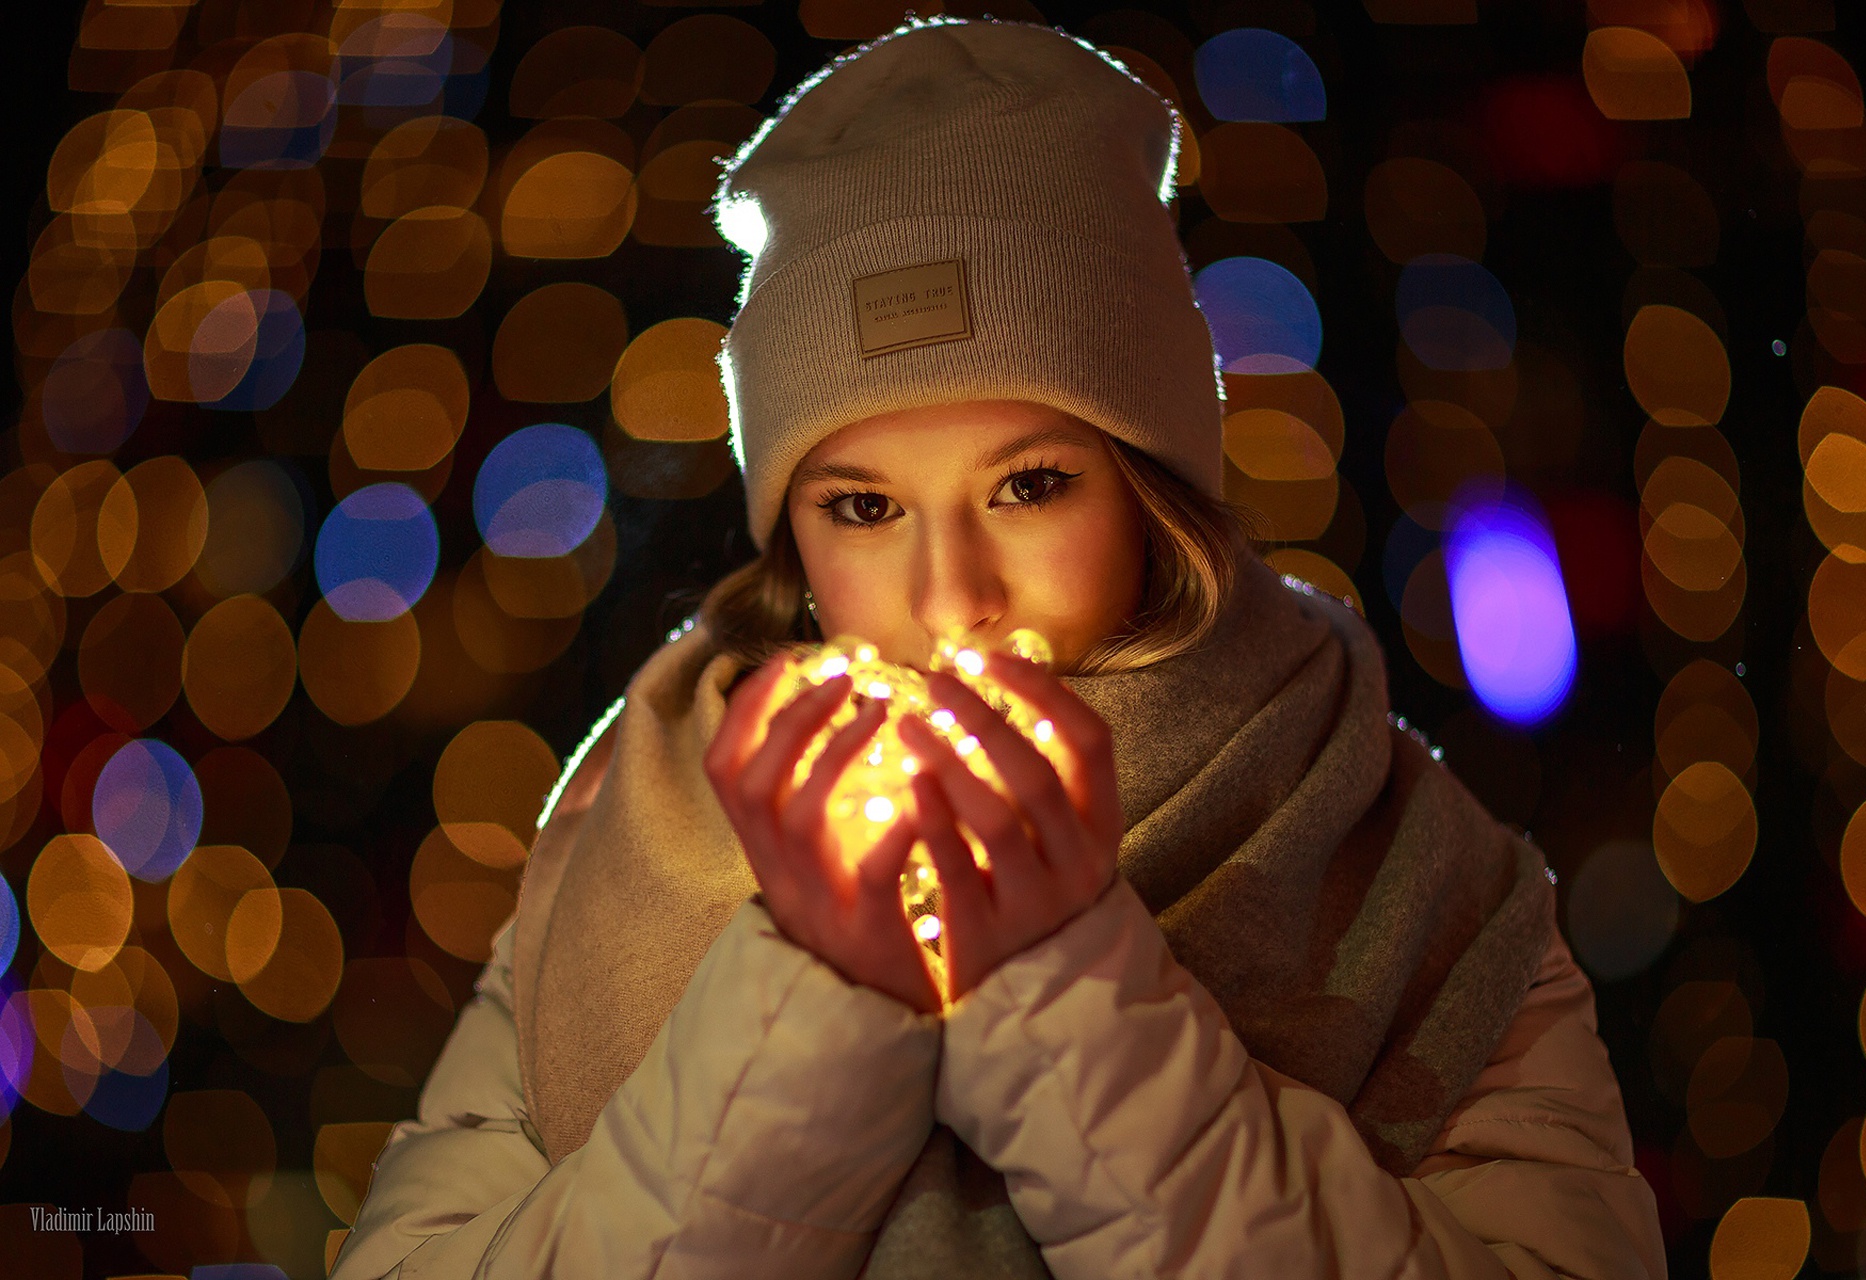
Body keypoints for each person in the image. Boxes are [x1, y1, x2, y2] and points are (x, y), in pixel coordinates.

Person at [331, 16, 1666, 1280]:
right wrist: (811, 991)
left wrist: (1063, 985)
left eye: (1029, 486)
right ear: (790, 532)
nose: (953, 593)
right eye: (863, 507)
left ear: (1149, 486)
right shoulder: (634, 832)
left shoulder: (1405, 866)